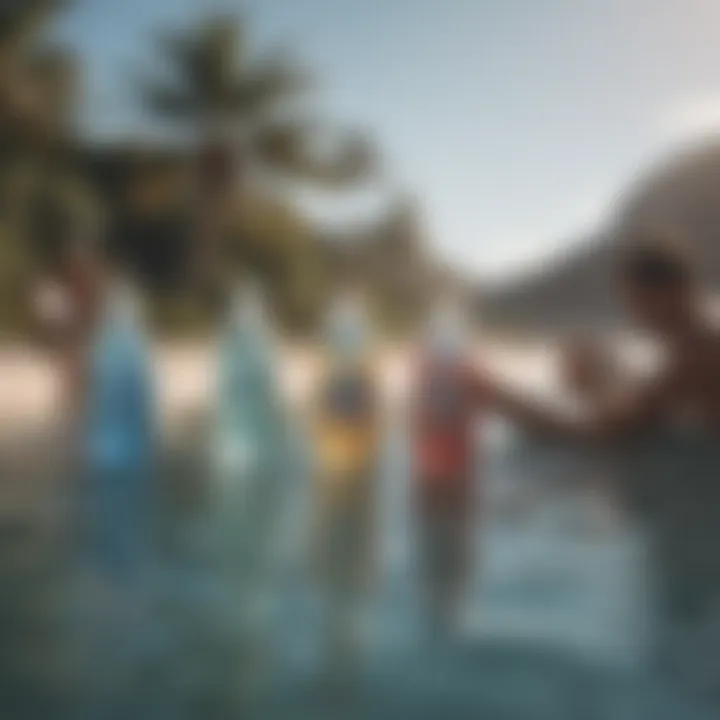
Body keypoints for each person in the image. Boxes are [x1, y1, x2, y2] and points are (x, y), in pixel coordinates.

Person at [311, 291, 381, 677]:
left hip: (341, 457)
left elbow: (326, 407)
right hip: (346, 456)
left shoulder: (346, 362)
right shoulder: (350, 362)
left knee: (339, 497)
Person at [410, 297, 484, 637]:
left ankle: (444, 602)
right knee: (454, 516)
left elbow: (420, 413)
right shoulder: (452, 366)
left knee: (436, 515)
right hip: (448, 453)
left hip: (441, 454)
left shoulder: (433, 366)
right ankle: (448, 604)